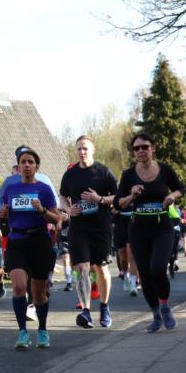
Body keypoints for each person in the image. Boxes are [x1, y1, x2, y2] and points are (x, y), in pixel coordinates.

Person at [115, 132, 185, 332]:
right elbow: (119, 203)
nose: (140, 151)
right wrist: (132, 195)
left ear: (153, 148)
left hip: (162, 228)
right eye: (136, 148)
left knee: (157, 269)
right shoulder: (128, 175)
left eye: (144, 147)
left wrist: (172, 196)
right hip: (138, 229)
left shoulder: (165, 170)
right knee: (144, 275)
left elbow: (181, 188)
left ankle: (165, 307)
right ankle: (155, 313)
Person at [0, 148, 60, 349]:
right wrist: (3, 213)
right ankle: (22, 332)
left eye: (30, 162)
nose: (26, 165)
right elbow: (5, 214)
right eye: (23, 162)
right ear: (18, 167)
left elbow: (56, 217)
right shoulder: (11, 189)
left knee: (39, 293)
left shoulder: (44, 189)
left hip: (39, 241)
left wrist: (42, 210)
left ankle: (42, 329)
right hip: (17, 240)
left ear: (36, 166)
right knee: (18, 287)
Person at [59, 135, 119, 329]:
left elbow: (118, 197)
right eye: (79, 149)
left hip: (100, 227)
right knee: (82, 268)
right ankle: (85, 310)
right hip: (79, 228)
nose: (82, 152)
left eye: (85, 148)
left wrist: (99, 199)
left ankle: (104, 306)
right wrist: (68, 210)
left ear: (92, 150)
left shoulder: (103, 172)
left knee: (101, 268)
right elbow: (62, 194)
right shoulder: (70, 174)